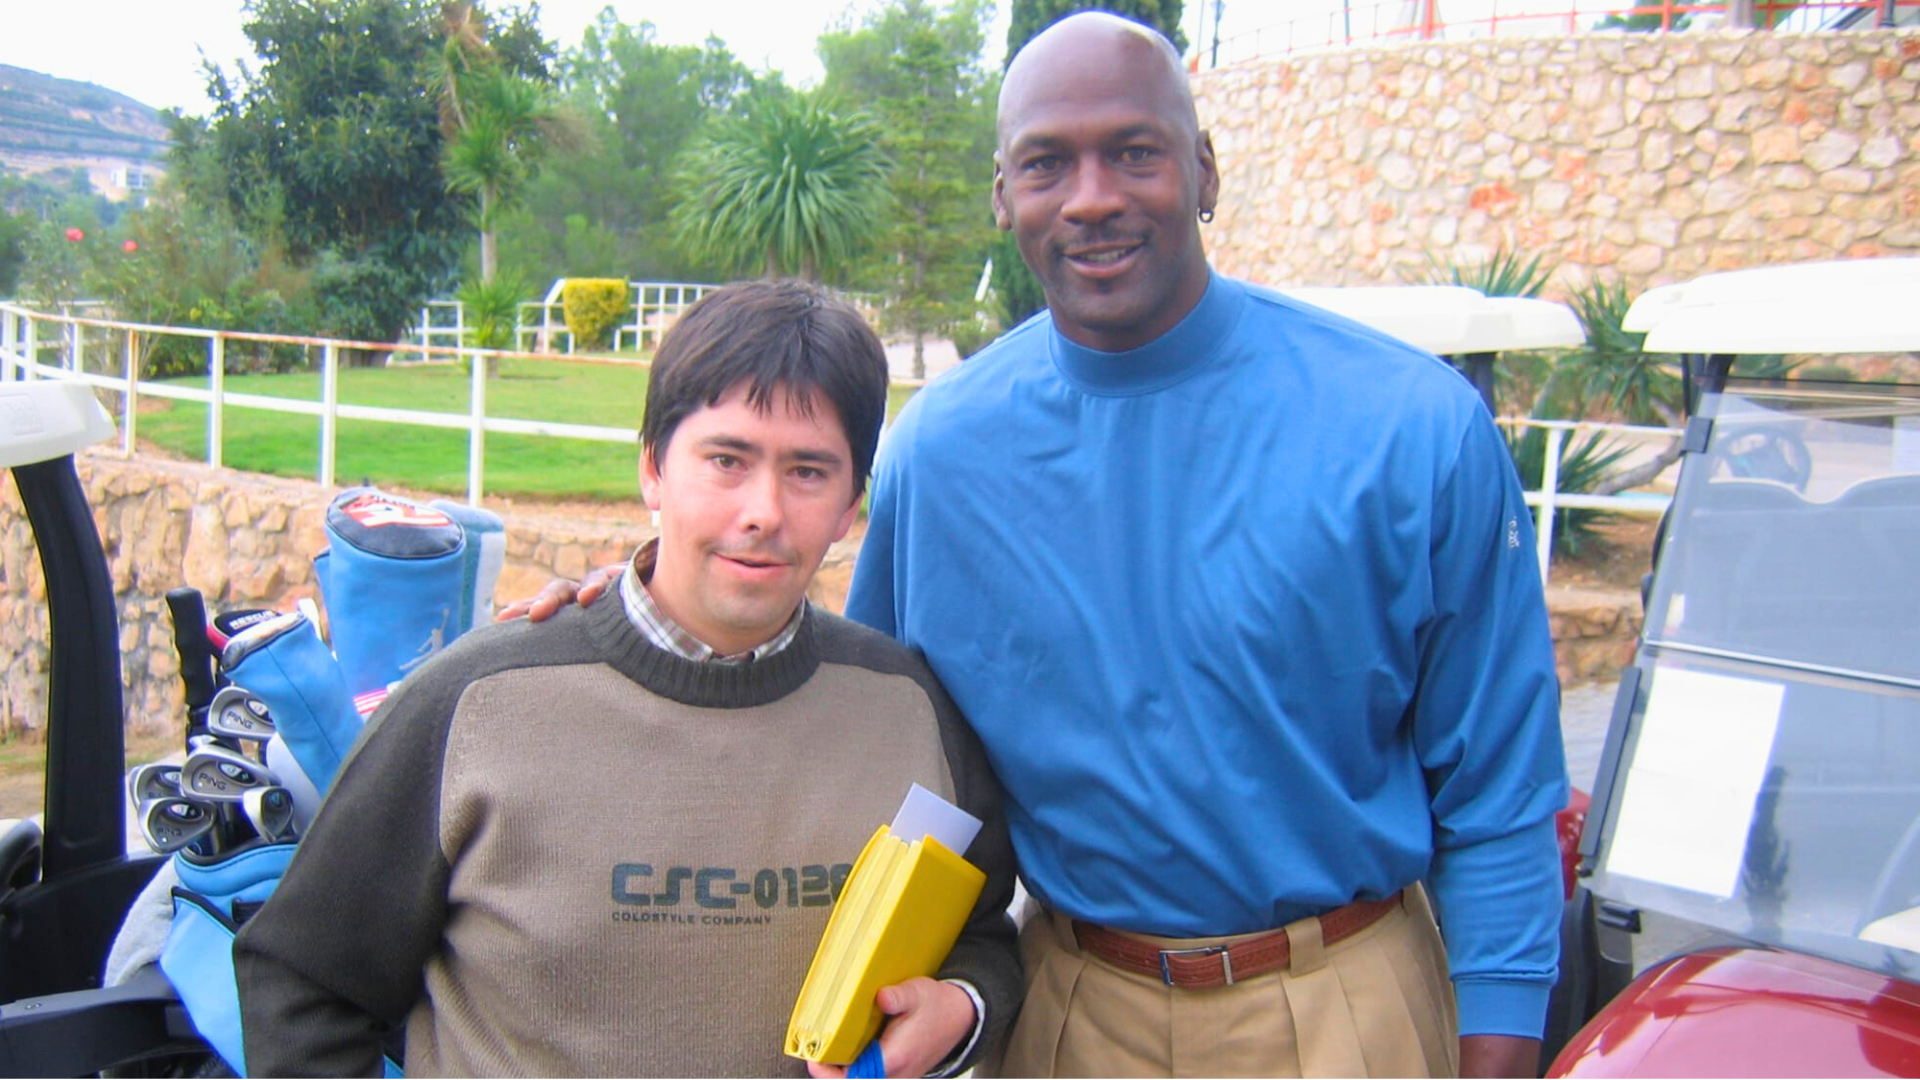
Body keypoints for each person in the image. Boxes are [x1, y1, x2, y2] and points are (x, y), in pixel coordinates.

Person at [519, 13, 1568, 1078]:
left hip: (1348, 1015)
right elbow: (850, 727)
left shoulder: (1411, 430)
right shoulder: (942, 452)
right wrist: (651, 611)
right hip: (1069, 1015)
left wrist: (1499, 1053)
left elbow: (1502, 802)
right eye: (1046, 163)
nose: (1094, 195)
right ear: (1001, 198)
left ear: (1205, 172)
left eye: (1136, 152)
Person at [233, 280, 1021, 1078]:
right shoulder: (474, 703)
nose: (764, 510)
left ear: (853, 504)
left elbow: (985, 933)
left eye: (809, 472)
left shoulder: (909, 711)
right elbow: (302, 980)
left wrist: (965, 1004)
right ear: (651, 468)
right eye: (726, 459)